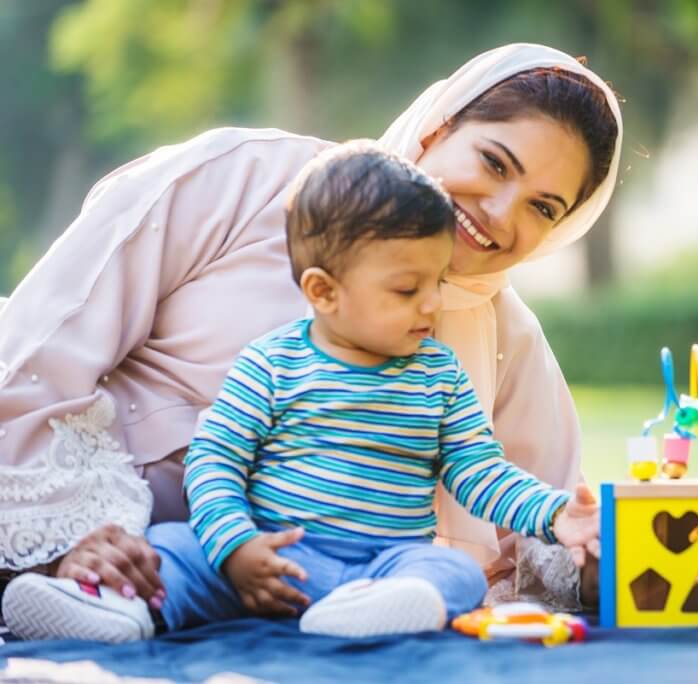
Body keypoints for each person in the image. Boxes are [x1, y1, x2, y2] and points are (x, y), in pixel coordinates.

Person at [0, 43, 622, 611]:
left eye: (543, 208)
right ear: (439, 128)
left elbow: (541, 508)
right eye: (494, 163)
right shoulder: (243, 179)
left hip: (328, 609)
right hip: (141, 571)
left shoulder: (502, 334)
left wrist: (593, 558)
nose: (498, 213)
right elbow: (33, 357)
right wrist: (76, 539)